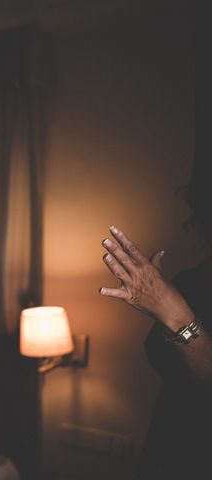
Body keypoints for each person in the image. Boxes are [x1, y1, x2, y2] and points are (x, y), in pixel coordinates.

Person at [98, 164, 212, 479]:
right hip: (167, 453)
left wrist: (173, 312)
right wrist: (159, 301)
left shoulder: (178, 297)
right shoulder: (188, 283)